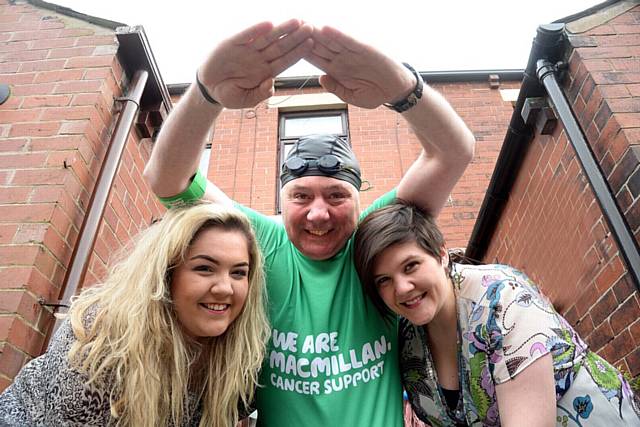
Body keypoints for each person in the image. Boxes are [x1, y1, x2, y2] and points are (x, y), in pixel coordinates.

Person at [143, 19, 475, 426]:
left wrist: (401, 88)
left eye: (336, 196)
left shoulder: (376, 242)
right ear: (282, 201)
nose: (319, 214)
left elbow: (453, 152)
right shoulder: (257, 241)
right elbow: (168, 181)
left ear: (359, 200)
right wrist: (206, 93)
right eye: (301, 197)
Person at [353, 201, 640, 427]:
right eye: (383, 280)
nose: (402, 288)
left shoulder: (503, 299)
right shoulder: (406, 340)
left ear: (441, 254)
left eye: (411, 266)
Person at [0, 203, 269, 427]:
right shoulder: (98, 343)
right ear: (165, 274)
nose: (225, 288)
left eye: (238, 273)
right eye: (204, 268)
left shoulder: (240, 359)